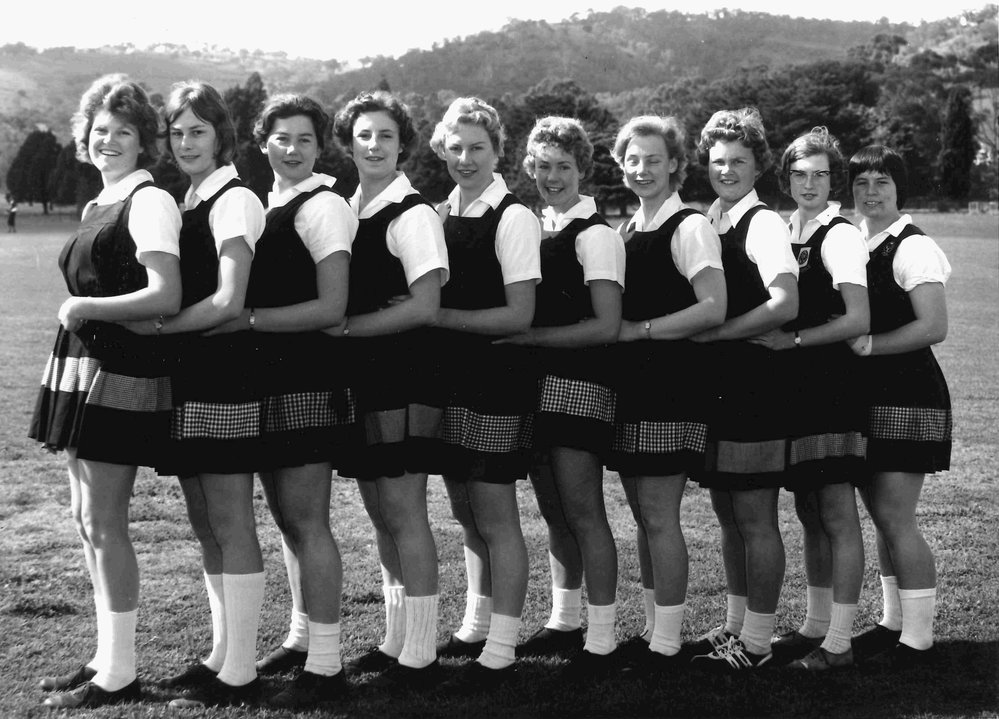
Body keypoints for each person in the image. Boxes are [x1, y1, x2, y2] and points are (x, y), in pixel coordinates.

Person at [28, 74, 182, 709]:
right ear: (82, 140)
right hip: (83, 364)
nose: (110, 141)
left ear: (144, 142)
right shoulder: (102, 204)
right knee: (84, 521)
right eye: (100, 132)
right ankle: (102, 658)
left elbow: (166, 295)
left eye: (124, 132)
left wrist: (84, 305)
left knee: (104, 521)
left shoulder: (148, 202)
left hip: (118, 370)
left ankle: (119, 673)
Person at [219, 93, 355, 708]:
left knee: (308, 519)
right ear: (262, 142)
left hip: (308, 377)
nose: (294, 150)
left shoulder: (322, 205)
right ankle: (301, 638)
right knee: (285, 520)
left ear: (320, 146)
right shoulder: (272, 201)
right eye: (282, 139)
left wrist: (248, 321)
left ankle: (327, 659)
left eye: (305, 139)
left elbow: (332, 308)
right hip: (271, 379)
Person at [134, 80, 267, 709]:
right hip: (191, 372)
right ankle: (221, 654)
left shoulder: (234, 199)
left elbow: (228, 300)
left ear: (222, 134)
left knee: (230, 520)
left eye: (198, 131)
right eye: (176, 132)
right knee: (204, 521)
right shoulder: (190, 197)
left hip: (224, 373)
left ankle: (241, 671)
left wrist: (158, 327)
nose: (185, 142)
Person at [329, 91, 449, 689]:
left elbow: (425, 306)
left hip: (404, 376)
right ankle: (396, 637)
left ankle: (422, 652)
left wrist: (349, 328)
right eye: (363, 135)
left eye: (384, 135)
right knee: (379, 513)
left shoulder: (414, 213)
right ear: (348, 143)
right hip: (364, 378)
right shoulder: (346, 209)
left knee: (404, 511)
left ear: (403, 144)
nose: (372, 146)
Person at [502, 116, 625, 679]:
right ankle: (564, 619)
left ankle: (601, 638)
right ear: (529, 168)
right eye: (543, 166)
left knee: (583, 511)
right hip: (535, 386)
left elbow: (606, 325)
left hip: (581, 384)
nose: (552, 177)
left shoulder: (596, 234)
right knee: (553, 510)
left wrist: (531, 339)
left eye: (564, 167)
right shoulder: (531, 224)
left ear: (583, 170)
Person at [605, 116, 726, 675]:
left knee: (659, 516)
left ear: (676, 164)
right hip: (633, 387)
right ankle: (656, 630)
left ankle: (668, 643)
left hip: (670, 388)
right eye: (634, 159)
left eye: (655, 159)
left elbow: (712, 307)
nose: (643, 168)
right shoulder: (630, 225)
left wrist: (643, 330)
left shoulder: (689, 225)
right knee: (643, 517)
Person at [430, 97, 541, 692]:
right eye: (456, 147)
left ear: (498, 151)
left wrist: (437, 318)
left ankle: (502, 642)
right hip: (451, 381)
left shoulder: (514, 217)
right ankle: (475, 625)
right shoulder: (441, 212)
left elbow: (519, 316)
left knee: (496, 517)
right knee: (465, 512)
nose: (466, 158)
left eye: (478, 148)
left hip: (497, 384)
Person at [750, 127, 869, 670]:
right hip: (792, 390)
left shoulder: (839, 234)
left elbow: (858, 319)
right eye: (799, 173)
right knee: (809, 511)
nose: (809, 182)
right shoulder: (785, 228)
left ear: (834, 178)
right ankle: (815, 626)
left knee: (837, 514)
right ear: (786, 177)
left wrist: (792, 340)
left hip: (831, 387)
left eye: (820, 173)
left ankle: (839, 643)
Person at [687, 107, 799, 672]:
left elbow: (786, 303)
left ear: (759, 167)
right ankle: (733, 627)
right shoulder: (713, 217)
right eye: (718, 161)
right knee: (727, 512)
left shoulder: (765, 225)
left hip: (756, 385)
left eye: (738, 161)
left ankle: (756, 643)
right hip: (720, 384)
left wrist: (720, 334)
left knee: (755, 516)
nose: (726, 170)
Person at [847, 145, 951, 668]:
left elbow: (934, 326)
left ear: (899, 188)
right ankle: (894, 623)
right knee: (882, 516)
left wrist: (871, 345)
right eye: (861, 181)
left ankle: (918, 640)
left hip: (908, 395)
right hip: (870, 395)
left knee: (895, 516)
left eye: (882, 181)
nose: (870, 191)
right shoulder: (860, 241)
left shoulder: (913, 246)